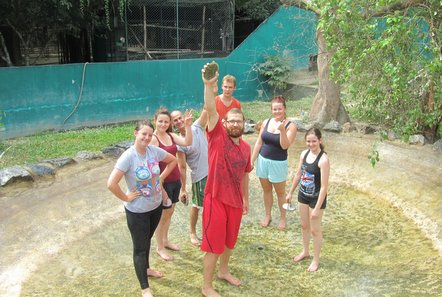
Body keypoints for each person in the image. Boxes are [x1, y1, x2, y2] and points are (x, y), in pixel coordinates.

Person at [107, 120, 178, 297]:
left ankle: (146, 269)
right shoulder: (128, 156)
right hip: (137, 211)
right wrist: (126, 197)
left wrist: (160, 179)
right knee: (139, 248)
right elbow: (111, 184)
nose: (147, 137)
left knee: (147, 240)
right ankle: (145, 288)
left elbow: (173, 161)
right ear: (135, 134)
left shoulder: (153, 151)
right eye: (143, 134)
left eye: (149, 134)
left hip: (154, 207)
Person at [201, 64, 252, 297]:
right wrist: (209, 85)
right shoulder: (217, 137)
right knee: (213, 245)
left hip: (235, 202)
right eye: (231, 121)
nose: (234, 124)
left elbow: (244, 176)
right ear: (224, 123)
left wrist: (245, 200)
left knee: (230, 242)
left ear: (243, 125)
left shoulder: (246, 149)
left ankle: (223, 271)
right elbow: (211, 109)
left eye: (238, 121)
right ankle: (206, 286)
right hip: (215, 199)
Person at [149, 107, 193, 261]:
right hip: (163, 182)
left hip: (174, 180)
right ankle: (159, 247)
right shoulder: (153, 139)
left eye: (166, 122)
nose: (163, 124)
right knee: (162, 216)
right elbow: (152, 166)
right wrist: (159, 186)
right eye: (160, 121)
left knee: (170, 213)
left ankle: (166, 241)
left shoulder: (170, 135)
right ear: (155, 121)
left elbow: (187, 142)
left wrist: (187, 126)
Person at [285, 128, 330, 272]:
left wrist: (317, 208)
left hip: (316, 199)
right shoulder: (304, 154)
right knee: (304, 226)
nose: (311, 144)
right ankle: (305, 251)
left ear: (320, 141)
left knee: (315, 230)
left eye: (314, 141)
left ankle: (316, 260)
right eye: (308, 141)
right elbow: (299, 174)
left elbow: (324, 187)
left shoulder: (323, 159)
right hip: (303, 195)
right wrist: (290, 192)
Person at [251, 95, 297, 230]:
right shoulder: (266, 122)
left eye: (280, 109)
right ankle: (268, 215)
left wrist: (282, 131)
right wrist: (252, 160)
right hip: (263, 160)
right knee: (266, 190)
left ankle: (283, 218)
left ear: (285, 109)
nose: (277, 112)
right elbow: (259, 142)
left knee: (280, 193)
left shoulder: (290, 126)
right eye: (274, 109)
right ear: (271, 110)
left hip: (278, 163)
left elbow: (285, 146)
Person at [171, 109, 209, 247]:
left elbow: (207, 109)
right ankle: (192, 232)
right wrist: (183, 189)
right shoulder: (179, 143)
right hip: (199, 176)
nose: (179, 121)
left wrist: (210, 88)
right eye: (175, 120)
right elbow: (182, 167)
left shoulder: (197, 126)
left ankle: (209, 231)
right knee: (198, 205)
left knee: (213, 205)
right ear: (173, 124)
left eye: (180, 117)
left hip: (213, 172)